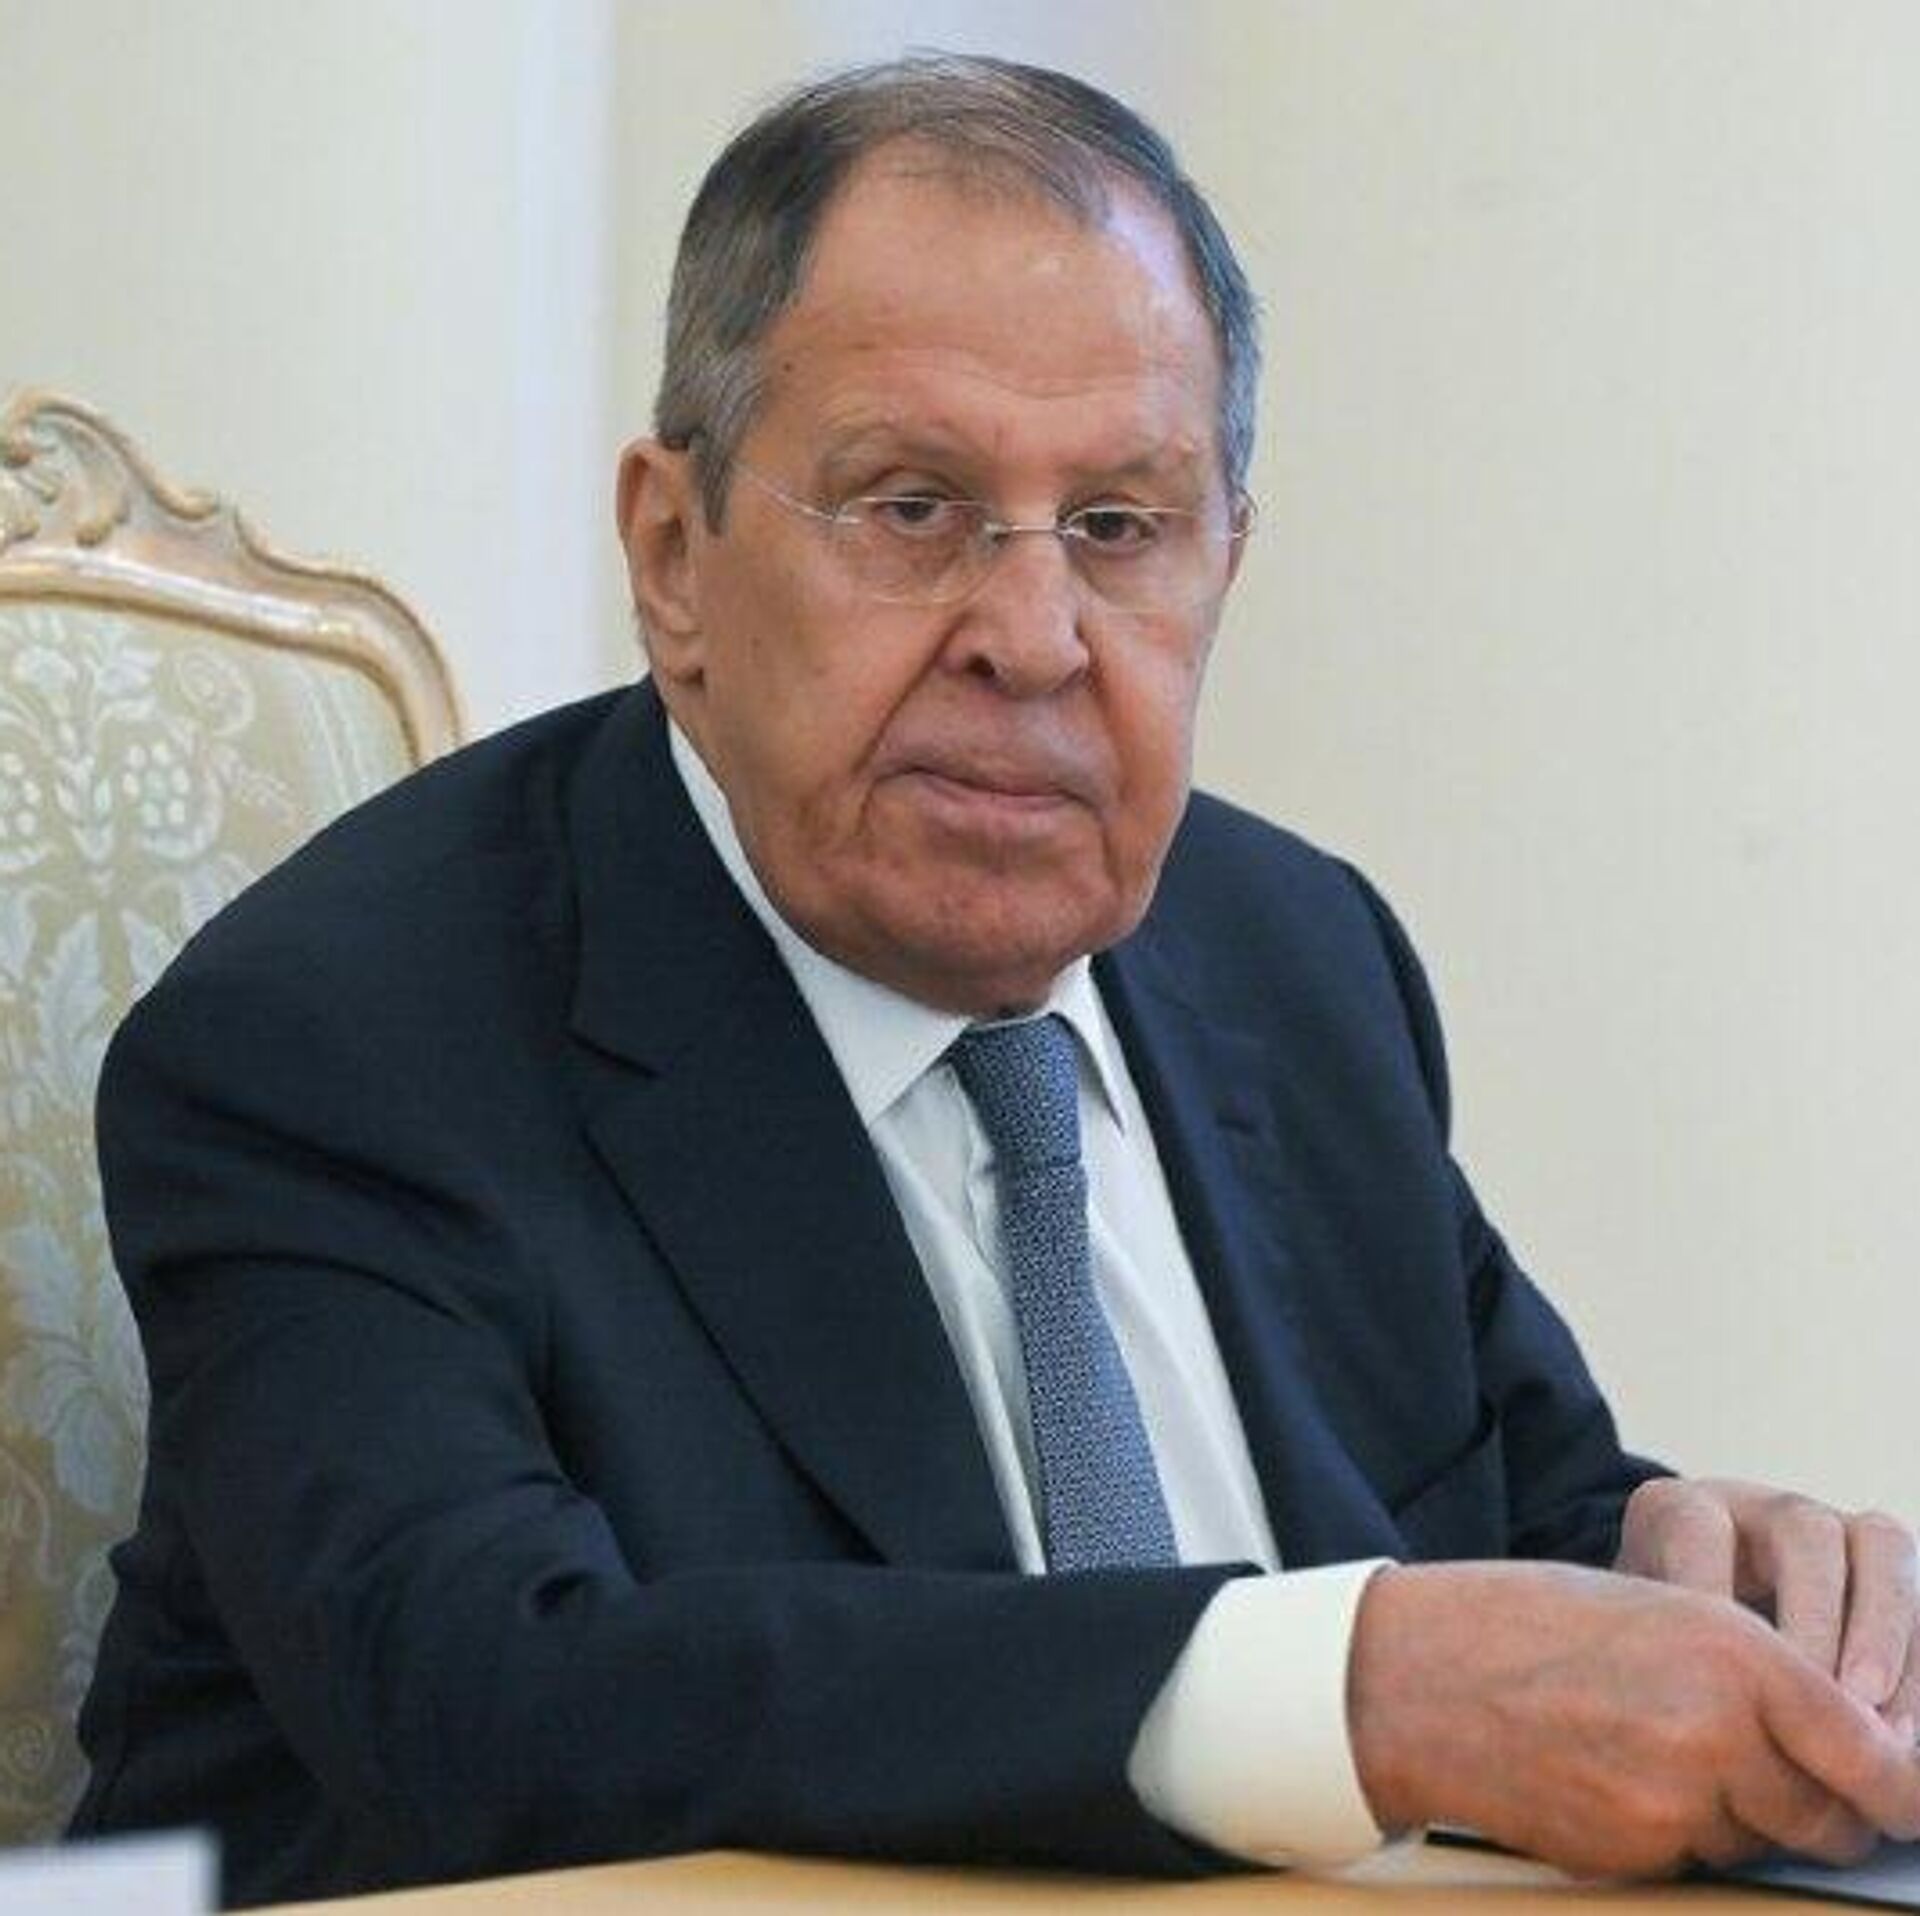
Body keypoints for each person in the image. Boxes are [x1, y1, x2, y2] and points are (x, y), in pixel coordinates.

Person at [73, 53, 1919, 1907]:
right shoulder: (342, 1041)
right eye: (911, 507)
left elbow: (1515, 1541)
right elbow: (495, 1703)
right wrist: (1346, 1697)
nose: (1034, 641)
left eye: (1120, 528)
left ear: (1226, 561)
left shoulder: (1296, 959)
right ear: (674, 555)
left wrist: (1730, 1596)